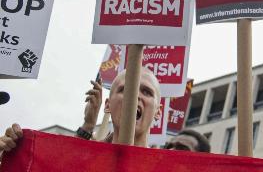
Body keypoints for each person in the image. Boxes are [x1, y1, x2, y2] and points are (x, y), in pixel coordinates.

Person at [1, 67, 162, 154]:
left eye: (146, 92)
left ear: (158, 112)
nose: (133, 96)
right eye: (124, 90)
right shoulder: (88, 161)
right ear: (107, 105)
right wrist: (13, 153)